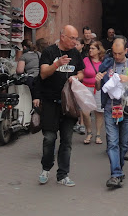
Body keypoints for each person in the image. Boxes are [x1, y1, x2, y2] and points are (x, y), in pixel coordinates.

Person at [33, 25, 83, 187]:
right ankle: (46, 168)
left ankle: (63, 175)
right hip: (50, 102)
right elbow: (43, 73)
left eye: (76, 38)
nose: (75, 42)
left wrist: (76, 77)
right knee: (49, 138)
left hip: (68, 105)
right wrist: (57, 64)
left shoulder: (75, 53)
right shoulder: (49, 52)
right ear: (63, 37)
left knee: (67, 141)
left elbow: (82, 72)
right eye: (73, 38)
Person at [96, 37, 128, 188]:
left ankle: (119, 169)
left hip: (127, 108)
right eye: (114, 53)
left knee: (123, 145)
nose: (117, 56)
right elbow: (98, 87)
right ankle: (116, 174)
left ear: (126, 50)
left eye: (119, 53)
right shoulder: (106, 64)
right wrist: (98, 80)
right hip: (110, 107)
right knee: (112, 143)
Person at [81, 40, 106, 145]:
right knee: (85, 112)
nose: (90, 50)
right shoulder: (85, 60)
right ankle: (89, 132)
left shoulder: (104, 61)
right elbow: (81, 73)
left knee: (99, 112)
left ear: (99, 50)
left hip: (99, 89)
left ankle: (98, 134)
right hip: (86, 88)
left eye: (93, 48)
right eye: (90, 48)